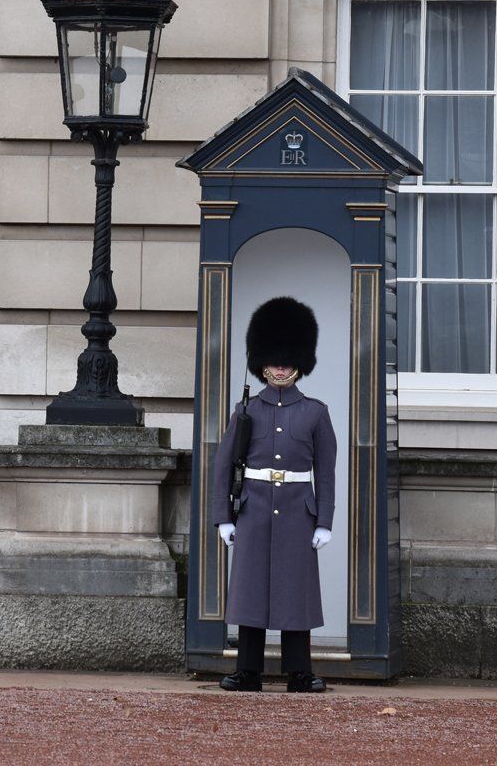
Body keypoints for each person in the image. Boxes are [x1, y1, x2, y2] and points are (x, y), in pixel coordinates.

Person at [211, 296, 337, 693]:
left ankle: (299, 671)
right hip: (254, 507)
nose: (281, 365)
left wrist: (325, 521)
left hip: (298, 510)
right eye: (274, 358)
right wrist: (224, 516)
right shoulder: (246, 410)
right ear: (262, 362)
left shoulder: (315, 411)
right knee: (250, 589)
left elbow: (326, 471)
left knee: (295, 591)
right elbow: (223, 463)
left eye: (287, 358)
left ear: (300, 361)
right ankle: (248, 670)